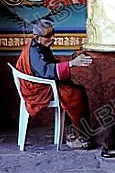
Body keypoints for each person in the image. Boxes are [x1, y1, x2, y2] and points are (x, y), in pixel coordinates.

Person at [16, 18, 93, 149]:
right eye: (47, 36)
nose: (52, 38)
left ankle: (76, 134)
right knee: (76, 94)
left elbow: (51, 65)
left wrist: (71, 60)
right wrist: (71, 64)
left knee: (77, 90)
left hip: (45, 83)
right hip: (38, 89)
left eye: (53, 34)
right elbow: (45, 71)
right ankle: (77, 136)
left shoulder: (41, 46)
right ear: (37, 36)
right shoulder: (34, 51)